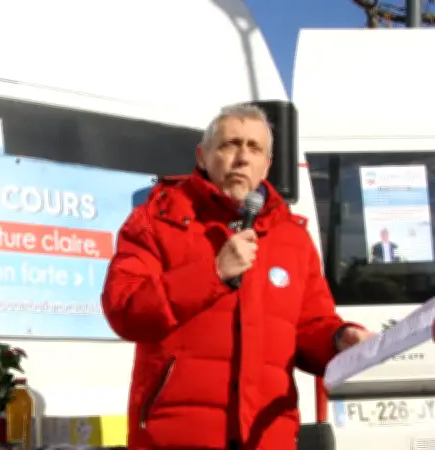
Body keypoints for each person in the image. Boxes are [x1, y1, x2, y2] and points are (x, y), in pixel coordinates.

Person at [101, 104, 372, 450]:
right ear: (202, 155)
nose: (243, 157)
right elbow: (125, 310)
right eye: (230, 144)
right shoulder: (155, 221)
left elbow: (309, 327)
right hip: (175, 439)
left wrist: (338, 339)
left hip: (265, 439)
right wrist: (213, 273)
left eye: (254, 148)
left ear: (267, 166)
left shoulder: (292, 238)